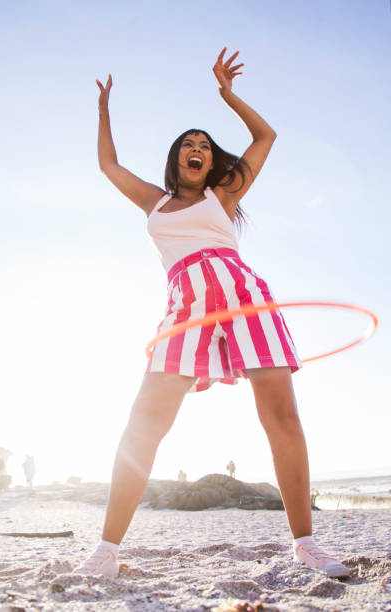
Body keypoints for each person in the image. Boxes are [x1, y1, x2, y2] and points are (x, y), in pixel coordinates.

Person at [73, 48, 349, 579]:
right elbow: (107, 165)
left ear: (210, 160)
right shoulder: (154, 203)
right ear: (176, 158)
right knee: (143, 426)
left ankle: (306, 543)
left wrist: (228, 95)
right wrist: (105, 110)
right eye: (188, 145)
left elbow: (265, 138)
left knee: (282, 418)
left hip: (243, 294)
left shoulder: (224, 194)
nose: (197, 150)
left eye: (204, 145)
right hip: (185, 306)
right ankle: (106, 549)